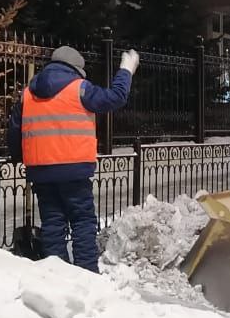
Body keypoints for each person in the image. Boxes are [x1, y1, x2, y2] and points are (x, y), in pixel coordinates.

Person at [7, 45, 138, 272]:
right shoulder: (79, 88)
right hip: (74, 169)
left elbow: (15, 129)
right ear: (76, 68)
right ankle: (86, 271)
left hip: (40, 170)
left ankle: (59, 273)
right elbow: (115, 97)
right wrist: (126, 70)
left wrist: (20, 157)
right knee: (82, 220)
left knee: (53, 222)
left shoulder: (28, 93)